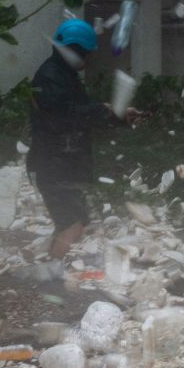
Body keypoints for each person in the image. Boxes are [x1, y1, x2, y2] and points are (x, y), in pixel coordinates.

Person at [26, 19, 140, 259]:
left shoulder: (64, 75)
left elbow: (82, 114)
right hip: (53, 165)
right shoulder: (50, 77)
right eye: (85, 53)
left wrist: (117, 116)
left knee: (71, 223)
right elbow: (62, 117)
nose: (87, 58)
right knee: (72, 225)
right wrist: (104, 109)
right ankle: (53, 277)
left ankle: (50, 269)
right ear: (74, 50)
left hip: (63, 165)